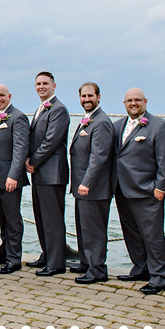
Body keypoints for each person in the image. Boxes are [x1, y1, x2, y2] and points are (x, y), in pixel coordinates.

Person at [112, 87, 165, 294]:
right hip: (122, 190)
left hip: (147, 191)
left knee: (152, 235)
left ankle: (159, 276)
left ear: (145, 101)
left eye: (138, 100)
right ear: (124, 103)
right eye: (129, 100)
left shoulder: (160, 126)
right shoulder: (117, 126)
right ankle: (140, 268)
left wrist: (160, 187)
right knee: (131, 232)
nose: (133, 103)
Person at [23, 72, 70, 276]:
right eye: (38, 84)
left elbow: (51, 141)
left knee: (52, 220)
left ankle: (56, 263)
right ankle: (47, 254)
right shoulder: (41, 108)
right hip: (40, 174)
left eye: (45, 83)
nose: (41, 87)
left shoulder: (59, 110)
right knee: (41, 217)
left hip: (52, 174)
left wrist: (33, 161)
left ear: (54, 86)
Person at [69, 82, 115, 285]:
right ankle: (86, 262)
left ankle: (97, 269)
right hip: (82, 187)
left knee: (94, 230)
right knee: (84, 227)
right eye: (83, 96)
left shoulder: (102, 122)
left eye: (90, 96)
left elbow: (99, 156)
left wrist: (87, 182)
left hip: (94, 188)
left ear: (98, 97)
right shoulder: (89, 120)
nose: (86, 100)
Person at [0, 83, 29, 275]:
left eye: (2, 95)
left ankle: (14, 259)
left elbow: (20, 149)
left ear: (9, 96)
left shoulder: (18, 117)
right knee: (1, 219)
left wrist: (13, 175)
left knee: (13, 219)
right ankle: (3, 252)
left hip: (10, 180)